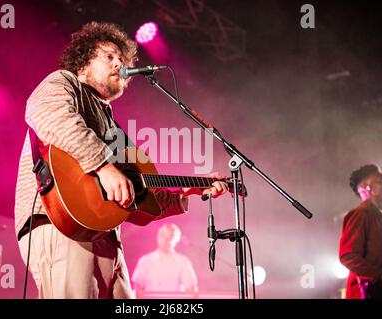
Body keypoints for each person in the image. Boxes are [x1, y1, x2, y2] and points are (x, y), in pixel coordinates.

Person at [14, 21, 228, 299]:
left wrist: (187, 190)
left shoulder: (112, 126)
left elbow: (136, 199)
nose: (119, 63)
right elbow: (47, 114)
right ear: (83, 64)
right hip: (61, 225)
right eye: (109, 56)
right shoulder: (64, 81)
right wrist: (104, 167)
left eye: (122, 59)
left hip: (103, 236)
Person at [339, 164, 382, 299]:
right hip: (368, 291)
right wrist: (378, 275)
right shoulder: (361, 214)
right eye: (380, 181)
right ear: (367, 187)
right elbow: (348, 256)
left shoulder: (378, 217)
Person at [132, 223, 198, 298]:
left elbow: (191, 289)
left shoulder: (183, 262)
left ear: (177, 240)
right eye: (163, 236)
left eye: (170, 237)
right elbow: (137, 287)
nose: (166, 240)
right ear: (158, 237)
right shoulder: (145, 261)